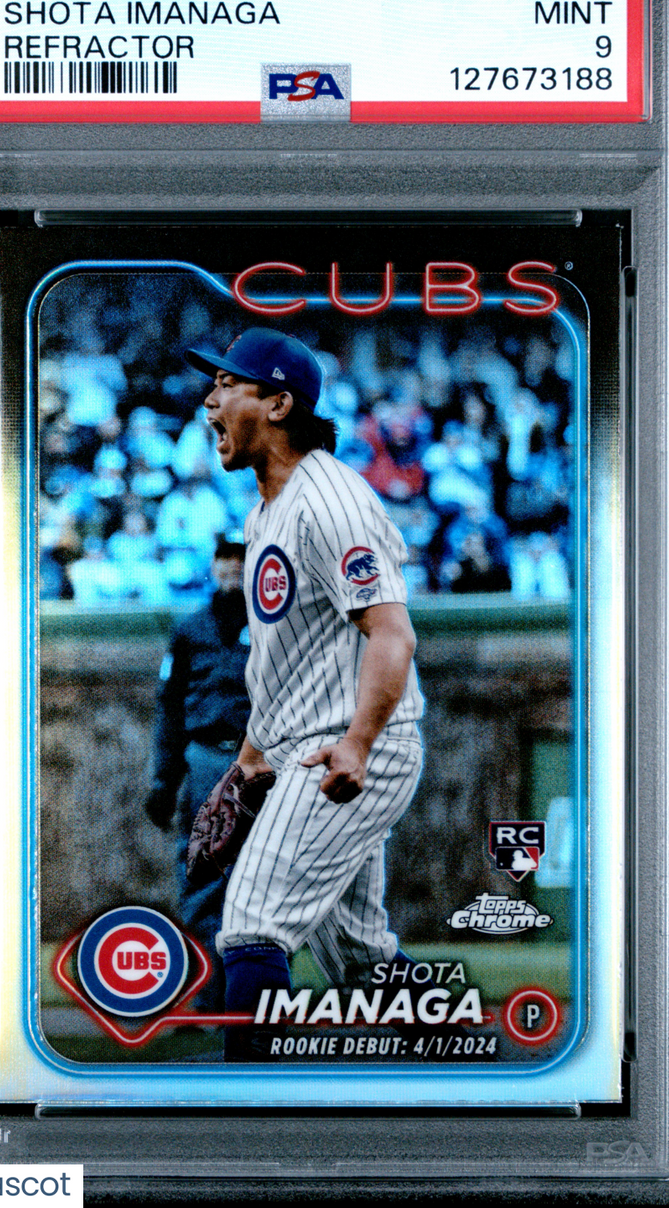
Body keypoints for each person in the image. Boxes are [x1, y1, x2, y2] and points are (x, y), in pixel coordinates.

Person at [184, 328, 425, 1058]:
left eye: (227, 384)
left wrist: (358, 744)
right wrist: (246, 762)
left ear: (279, 404)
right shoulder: (265, 513)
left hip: (347, 752)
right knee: (360, 960)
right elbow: (282, 666)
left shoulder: (330, 501)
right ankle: (475, 1080)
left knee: (251, 924)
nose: (209, 401)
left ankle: (247, 1110)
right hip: (306, 748)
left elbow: (392, 636)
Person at [146, 537, 250, 1013]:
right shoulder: (190, 629)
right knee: (203, 876)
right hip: (206, 757)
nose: (232, 571)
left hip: (262, 762)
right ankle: (208, 998)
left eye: (241, 562)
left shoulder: (276, 625)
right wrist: (163, 782)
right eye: (225, 562)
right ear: (213, 567)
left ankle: (257, 992)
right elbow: (169, 708)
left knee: (260, 879)